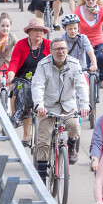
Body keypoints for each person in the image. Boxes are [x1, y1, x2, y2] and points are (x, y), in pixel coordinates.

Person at [31, 37, 89, 177]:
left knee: (74, 126)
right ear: (51, 51)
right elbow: (37, 86)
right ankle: (42, 175)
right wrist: (39, 105)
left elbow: (81, 85)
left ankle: (71, 147)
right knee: (43, 141)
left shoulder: (74, 64)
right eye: (57, 49)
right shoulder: (43, 65)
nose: (60, 52)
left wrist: (85, 105)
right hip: (48, 106)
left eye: (63, 49)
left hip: (68, 104)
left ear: (67, 50)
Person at [7, 18, 52, 146]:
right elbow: (14, 63)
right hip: (24, 78)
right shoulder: (21, 44)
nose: (39, 33)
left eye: (41, 30)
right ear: (29, 32)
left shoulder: (48, 45)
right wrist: (11, 77)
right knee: (25, 100)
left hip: (44, 79)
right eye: (36, 30)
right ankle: (26, 134)